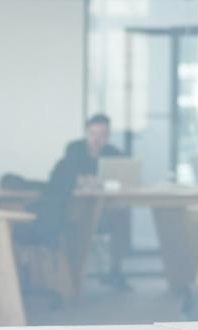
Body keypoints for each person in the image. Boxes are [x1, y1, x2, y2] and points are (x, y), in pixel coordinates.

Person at [21, 114, 130, 289]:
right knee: (89, 223)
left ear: (108, 136)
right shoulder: (75, 149)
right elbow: (69, 177)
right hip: (75, 207)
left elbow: (121, 179)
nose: (97, 139)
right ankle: (76, 275)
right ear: (87, 133)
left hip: (103, 206)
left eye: (102, 134)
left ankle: (115, 269)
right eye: (93, 133)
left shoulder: (113, 153)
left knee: (122, 216)